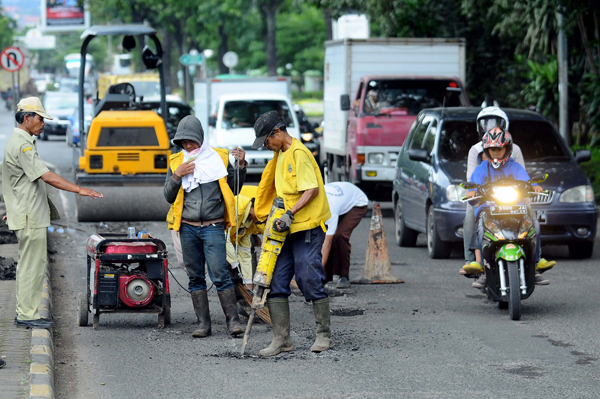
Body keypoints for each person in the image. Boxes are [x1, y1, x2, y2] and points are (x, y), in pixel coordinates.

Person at [1, 97, 103, 328]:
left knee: (30, 265)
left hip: (24, 213)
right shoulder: (23, 145)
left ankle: (26, 312)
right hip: (30, 217)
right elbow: (46, 175)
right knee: (32, 267)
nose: (43, 123)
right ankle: (27, 315)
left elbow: (10, 181)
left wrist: (12, 208)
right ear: (26, 118)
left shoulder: (16, 141)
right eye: (40, 118)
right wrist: (79, 189)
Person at [251, 110, 332, 357]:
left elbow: (311, 190)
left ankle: (323, 335)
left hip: (306, 226)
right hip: (284, 229)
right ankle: (282, 339)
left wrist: (291, 213)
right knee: (276, 280)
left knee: (308, 276)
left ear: (277, 132)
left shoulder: (299, 154)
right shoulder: (280, 155)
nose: (267, 146)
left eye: (267, 141)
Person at [163, 115, 247, 338]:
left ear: (200, 137)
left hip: (213, 226)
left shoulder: (218, 157)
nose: (188, 146)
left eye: (191, 141)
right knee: (195, 276)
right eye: (184, 143)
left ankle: (233, 322)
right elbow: (168, 197)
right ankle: (203, 325)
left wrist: (240, 166)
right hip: (187, 228)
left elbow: (234, 188)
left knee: (220, 274)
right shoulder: (175, 162)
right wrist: (177, 177)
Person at [462, 107, 555, 285]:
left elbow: (525, 178)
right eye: (492, 149)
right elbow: (472, 181)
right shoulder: (479, 157)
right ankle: (477, 263)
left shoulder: (514, 159)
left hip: (514, 201)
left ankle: (536, 261)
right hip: (488, 203)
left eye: (500, 149)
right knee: (477, 223)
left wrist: (534, 187)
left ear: (507, 147)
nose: (496, 151)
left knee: (532, 220)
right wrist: (473, 190)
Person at [322, 182, 368, 289]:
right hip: (343, 199)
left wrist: (315, 272)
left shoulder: (330, 207)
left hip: (356, 203)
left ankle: (344, 276)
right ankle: (325, 276)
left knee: (339, 235)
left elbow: (326, 243)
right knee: (321, 235)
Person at [226, 185, 263, 286]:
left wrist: (248, 282)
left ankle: (241, 290)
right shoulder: (237, 209)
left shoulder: (251, 222)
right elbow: (224, 238)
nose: (263, 219)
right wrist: (235, 264)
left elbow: (245, 252)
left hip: (228, 237)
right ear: (256, 208)